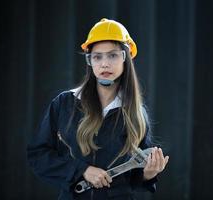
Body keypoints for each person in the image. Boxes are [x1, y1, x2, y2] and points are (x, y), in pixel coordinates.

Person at [27, 18, 169, 200]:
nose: (104, 64)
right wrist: (82, 170)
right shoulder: (64, 103)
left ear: (126, 59)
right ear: (90, 61)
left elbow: (134, 179)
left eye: (113, 55)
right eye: (97, 56)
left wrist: (148, 174)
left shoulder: (137, 114)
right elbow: (38, 156)